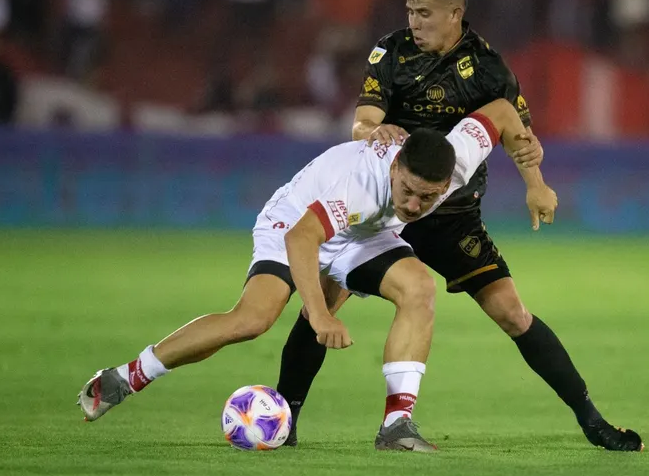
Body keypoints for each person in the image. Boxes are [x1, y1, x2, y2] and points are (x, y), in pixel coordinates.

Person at [276, 0, 644, 452]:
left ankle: (593, 422)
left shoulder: (488, 67)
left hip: (451, 213)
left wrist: (536, 182)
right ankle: (284, 416)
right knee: (321, 302)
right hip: (387, 205)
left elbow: (515, 126)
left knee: (513, 313)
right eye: (410, 11)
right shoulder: (390, 50)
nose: (414, 23)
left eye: (425, 13)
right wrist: (371, 132)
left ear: (456, 13)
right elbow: (363, 120)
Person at [77, 99, 557, 452]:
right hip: (294, 223)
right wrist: (320, 313)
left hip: (362, 234)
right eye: (408, 192)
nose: (415, 205)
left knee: (419, 287)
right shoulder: (360, 184)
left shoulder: (452, 160)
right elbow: (303, 241)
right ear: (396, 168)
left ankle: (397, 426)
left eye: (426, 200)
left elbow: (499, 111)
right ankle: (126, 377)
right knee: (253, 319)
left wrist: (534, 181)